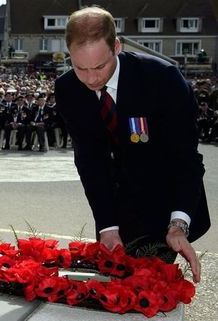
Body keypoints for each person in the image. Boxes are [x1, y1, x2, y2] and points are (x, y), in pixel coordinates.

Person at [55, 6, 210, 283]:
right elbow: (90, 160)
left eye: (100, 66)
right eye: (81, 68)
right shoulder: (68, 89)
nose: (91, 79)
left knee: (148, 289)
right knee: (112, 287)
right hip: (115, 204)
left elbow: (186, 159)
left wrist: (178, 226)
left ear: (116, 46)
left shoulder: (162, 80)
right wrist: (107, 226)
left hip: (165, 202)